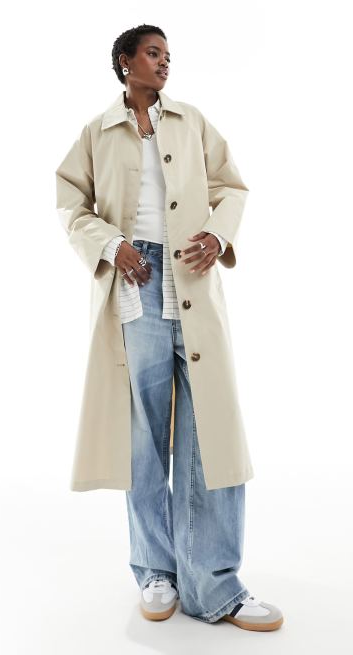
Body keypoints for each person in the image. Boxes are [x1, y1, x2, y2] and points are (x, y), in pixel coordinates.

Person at [55, 23, 283, 631]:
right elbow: (71, 203)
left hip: (192, 277)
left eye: (168, 55)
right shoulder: (97, 132)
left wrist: (218, 234)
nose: (163, 63)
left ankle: (215, 583)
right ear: (124, 62)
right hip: (136, 283)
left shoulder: (192, 121)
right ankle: (157, 571)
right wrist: (112, 245)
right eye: (153, 53)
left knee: (212, 434)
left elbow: (231, 187)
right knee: (145, 437)